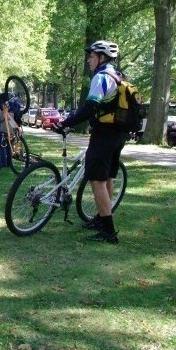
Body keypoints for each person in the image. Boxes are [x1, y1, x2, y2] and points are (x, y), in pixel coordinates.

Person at [52, 40, 126, 244]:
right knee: (107, 178)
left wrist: (65, 123)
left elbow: (89, 108)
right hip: (118, 135)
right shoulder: (119, 76)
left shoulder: (101, 77)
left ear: (102, 58)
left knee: (97, 182)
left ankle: (109, 232)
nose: (88, 60)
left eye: (92, 56)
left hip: (104, 136)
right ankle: (102, 220)